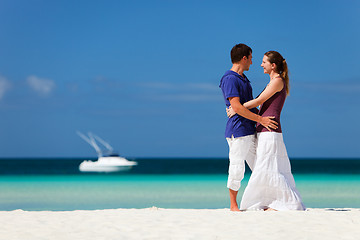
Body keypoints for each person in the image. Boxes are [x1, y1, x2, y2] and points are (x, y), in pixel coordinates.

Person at [227, 51, 305, 211]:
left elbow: (259, 100)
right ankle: (271, 202)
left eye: (264, 62)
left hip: (270, 131)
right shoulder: (273, 82)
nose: (261, 64)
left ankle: (281, 203)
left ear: (273, 65)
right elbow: (259, 102)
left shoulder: (277, 81)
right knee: (268, 167)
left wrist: (237, 109)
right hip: (264, 130)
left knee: (269, 167)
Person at [219, 44, 278, 211]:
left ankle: (265, 202)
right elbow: (237, 107)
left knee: (260, 167)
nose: (253, 63)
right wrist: (262, 119)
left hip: (250, 129)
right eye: (251, 58)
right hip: (237, 131)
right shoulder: (229, 78)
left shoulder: (244, 79)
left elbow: (246, 104)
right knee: (237, 167)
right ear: (244, 58)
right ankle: (233, 205)